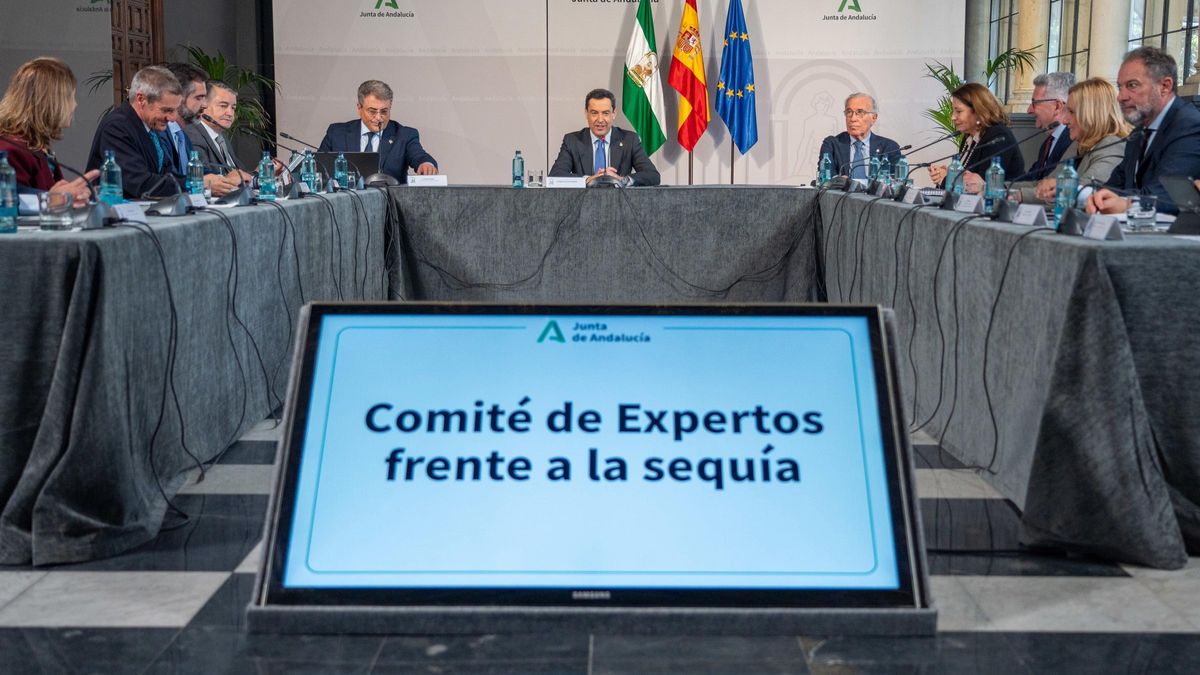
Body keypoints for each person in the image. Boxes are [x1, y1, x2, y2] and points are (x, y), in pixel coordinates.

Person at [1087, 46, 1200, 215]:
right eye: (1120, 87)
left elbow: (1167, 195)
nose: (1121, 97)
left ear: (1165, 86)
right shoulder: (1139, 132)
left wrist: (1126, 204)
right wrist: (1095, 198)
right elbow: (1115, 186)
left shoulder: (1189, 126)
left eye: (1132, 85)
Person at [0, 57, 96, 204]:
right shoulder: (10, 150)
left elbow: (54, 196)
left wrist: (74, 196)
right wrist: (52, 199)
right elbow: (10, 199)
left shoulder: (36, 145)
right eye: (70, 97)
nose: (75, 104)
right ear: (50, 101)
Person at [1024, 78, 1130, 205]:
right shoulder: (1078, 144)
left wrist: (1020, 196)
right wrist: (1008, 190)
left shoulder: (1112, 145)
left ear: (1092, 114)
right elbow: (1048, 184)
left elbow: (1087, 190)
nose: (1065, 120)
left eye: (1071, 112)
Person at [85, 65, 185, 198]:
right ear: (141, 99)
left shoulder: (151, 124)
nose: (172, 118)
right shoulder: (117, 127)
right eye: (166, 110)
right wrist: (192, 183)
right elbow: (139, 183)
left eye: (175, 110)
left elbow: (167, 174)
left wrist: (205, 181)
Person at [318, 80, 437, 184]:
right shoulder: (337, 133)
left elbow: (419, 156)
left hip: (388, 205)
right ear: (359, 108)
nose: (379, 117)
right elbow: (318, 167)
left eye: (384, 111)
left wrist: (426, 164)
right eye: (372, 111)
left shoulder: (404, 135)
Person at [549, 88, 660, 187]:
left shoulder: (629, 140)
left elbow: (653, 176)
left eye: (605, 113)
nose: (600, 119)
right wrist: (588, 179)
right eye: (594, 113)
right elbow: (555, 176)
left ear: (614, 114)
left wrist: (621, 180)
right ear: (586, 114)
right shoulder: (572, 141)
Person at [928, 82, 1024, 193]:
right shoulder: (968, 137)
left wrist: (947, 179)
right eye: (953, 111)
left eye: (958, 111)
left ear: (978, 111)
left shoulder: (998, 136)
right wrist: (950, 174)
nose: (953, 117)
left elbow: (980, 184)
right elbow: (964, 179)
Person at [183, 80, 252, 195]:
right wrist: (231, 180)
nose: (230, 113)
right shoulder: (193, 134)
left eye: (233, 107)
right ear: (203, 105)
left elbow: (239, 173)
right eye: (223, 106)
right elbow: (203, 177)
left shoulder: (221, 138)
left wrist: (260, 174)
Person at [816, 92, 903, 180]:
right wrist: (838, 181)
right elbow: (825, 177)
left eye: (860, 112)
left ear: (874, 117)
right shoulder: (832, 144)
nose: (853, 119)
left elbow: (897, 181)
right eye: (849, 112)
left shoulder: (889, 147)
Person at [1023, 72, 1076, 181]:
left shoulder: (1072, 141)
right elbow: (1031, 180)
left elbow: (1051, 187)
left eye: (1035, 103)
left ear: (1057, 106)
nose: (1029, 110)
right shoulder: (1048, 142)